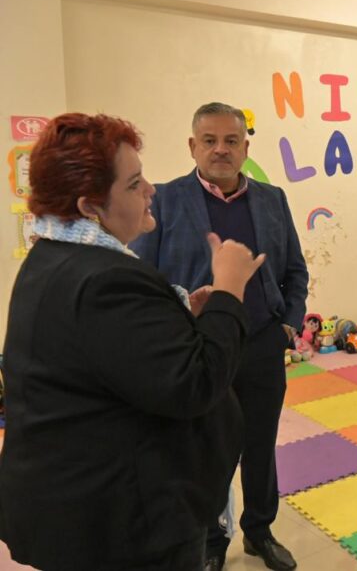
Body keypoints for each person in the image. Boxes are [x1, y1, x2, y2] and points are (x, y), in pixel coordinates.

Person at [0, 113, 263, 570]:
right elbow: (196, 383)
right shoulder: (106, 279)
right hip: (122, 525)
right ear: (90, 207)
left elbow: (118, 354)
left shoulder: (53, 257)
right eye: (134, 184)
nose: (150, 191)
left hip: (82, 508)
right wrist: (229, 290)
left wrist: (181, 315)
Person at [131, 102, 308, 571]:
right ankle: (211, 539)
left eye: (231, 141)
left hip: (262, 342)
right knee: (204, 448)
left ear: (245, 147)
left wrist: (288, 323)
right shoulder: (165, 200)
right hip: (198, 350)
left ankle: (259, 531)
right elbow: (146, 278)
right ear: (193, 146)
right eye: (209, 141)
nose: (221, 150)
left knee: (260, 445)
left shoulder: (272, 199)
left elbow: (295, 270)